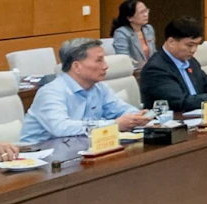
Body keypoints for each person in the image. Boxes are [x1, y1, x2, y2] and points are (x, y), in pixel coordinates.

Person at [20, 38, 150, 144]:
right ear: (77, 67)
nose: (105, 66)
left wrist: (135, 117)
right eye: (99, 60)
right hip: (40, 156)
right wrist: (114, 124)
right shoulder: (51, 92)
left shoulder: (99, 87)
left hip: (78, 149)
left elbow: (121, 109)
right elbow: (61, 127)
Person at [137, 17, 207, 110]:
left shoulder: (190, 61)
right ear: (171, 42)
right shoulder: (156, 68)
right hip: (173, 123)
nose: (194, 50)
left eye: (197, 45)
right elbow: (180, 102)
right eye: (190, 45)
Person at [109, 0, 155, 65]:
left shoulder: (148, 29)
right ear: (129, 18)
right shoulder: (121, 33)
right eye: (141, 12)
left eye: (146, 11)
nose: (146, 15)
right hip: (134, 70)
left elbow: (153, 53)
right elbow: (124, 59)